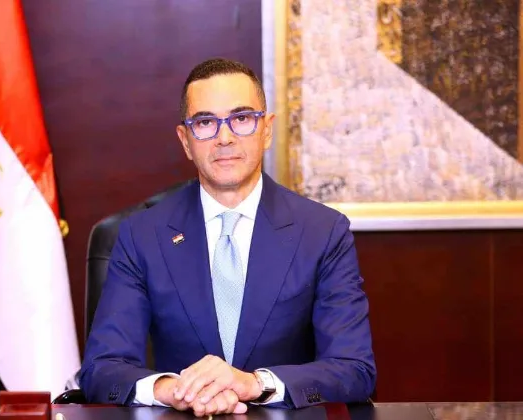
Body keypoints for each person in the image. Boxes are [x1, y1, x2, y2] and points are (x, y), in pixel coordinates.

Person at [79, 58, 376, 416]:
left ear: (267, 129)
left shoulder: (323, 232)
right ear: (185, 141)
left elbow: (354, 369)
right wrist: (174, 390)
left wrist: (254, 384)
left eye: (242, 118)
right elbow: (101, 369)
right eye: (205, 122)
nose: (224, 137)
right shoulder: (142, 235)